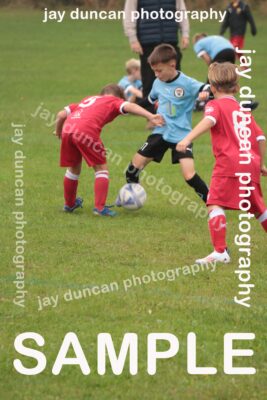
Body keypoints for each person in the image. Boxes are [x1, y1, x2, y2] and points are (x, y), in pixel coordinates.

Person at [177, 62, 267, 264]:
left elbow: (209, 121)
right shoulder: (243, 109)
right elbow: (261, 137)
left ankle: (220, 252)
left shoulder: (214, 105)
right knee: (259, 208)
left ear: (211, 85)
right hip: (250, 163)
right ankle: (220, 252)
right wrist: (261, 164)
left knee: (214, 203)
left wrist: (187, 139)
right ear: (235, 87)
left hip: (229, 163)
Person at [55, 84, 164, 217]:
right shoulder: (114, 101)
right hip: (86, 131)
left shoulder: (87, 100)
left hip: (68, 129)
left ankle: (69, 204)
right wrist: (150, 116)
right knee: (101, 169)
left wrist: (59, 131)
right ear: (119, 96)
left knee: (73, 169)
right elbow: (130, 106)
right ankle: (100, 208)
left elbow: (61, 115)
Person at [122, 44, 209, 206]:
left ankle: (213, 203)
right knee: (132, 169)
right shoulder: (157, 83)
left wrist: (206, 93)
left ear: (172, 65)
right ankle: (131, 198)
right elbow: (149, 101)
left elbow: (209, 89)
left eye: (159, 71)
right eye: (154, 71)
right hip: (160, 132)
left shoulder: (187, 83)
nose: (156, 74)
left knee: (189, 176)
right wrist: (129, 108)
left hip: (182, 136)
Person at [123, 0, 189, 111]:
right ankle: (151, 116)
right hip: (147, 43)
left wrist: (185, 34)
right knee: (149, 81)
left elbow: (181, 11)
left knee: (175, 79)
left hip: (170, 42)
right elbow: (130, 13)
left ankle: (176, 112)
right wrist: (133, 39)